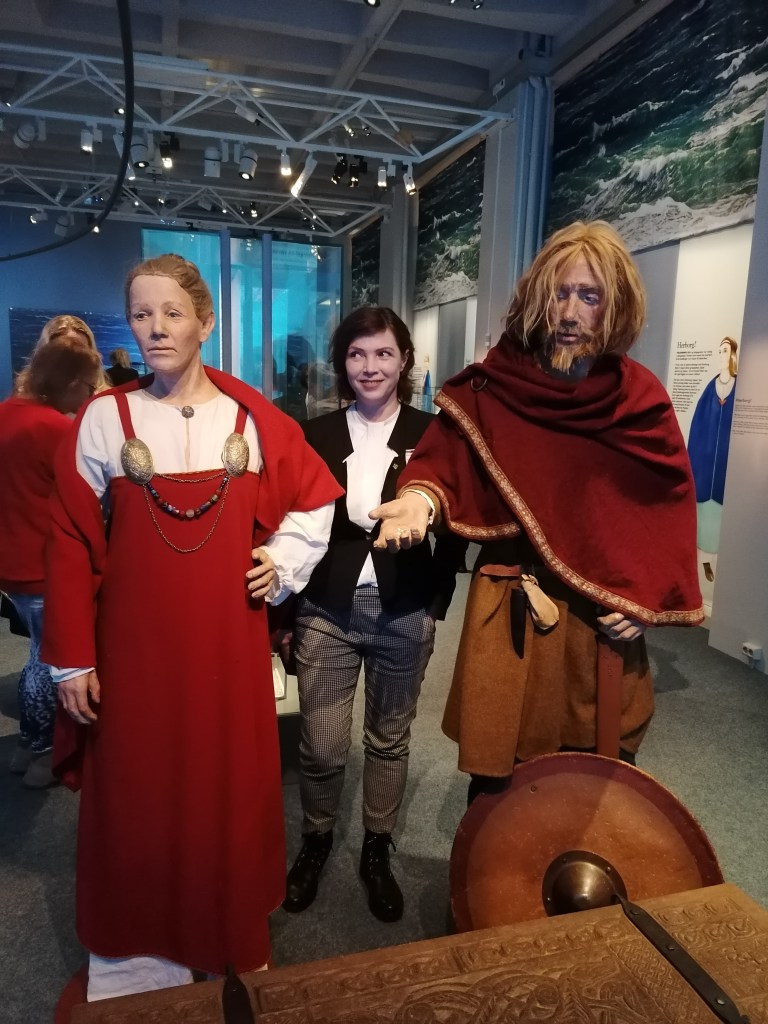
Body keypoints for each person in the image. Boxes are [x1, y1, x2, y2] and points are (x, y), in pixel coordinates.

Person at [41, 254, 341, 1000]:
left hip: (227, 643)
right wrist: (72, 657)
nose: (156, 328)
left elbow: (315, 499)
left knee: (222, 787)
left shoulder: (250, 420)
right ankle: (139, 954)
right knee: (138, 790)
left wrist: (281, 559)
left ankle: (223, 934)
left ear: (205, 322)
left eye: (172, 313)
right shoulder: (104, 419)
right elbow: (69, 538)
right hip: (134, 649)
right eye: (141, 314)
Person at [369, 221, 703, 803]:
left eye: (589, 296)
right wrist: (419, 500)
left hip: (597, 613)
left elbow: (660, 506)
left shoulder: (638, 399)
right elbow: (446, 460)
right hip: (510, 602)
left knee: (594, 776)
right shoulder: (494, 385)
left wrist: (645, 599)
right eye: (559, 293)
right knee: (497, 778)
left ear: (615, 305)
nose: (570, 312)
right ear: (537, 298)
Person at [282, 307, 466, 922]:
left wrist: (436, 602)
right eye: (357, 354)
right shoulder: (313, 434)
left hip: (404, 608)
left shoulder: (433, 433)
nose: (370, 367)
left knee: (388, 739)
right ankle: (316, 840)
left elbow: (456, 523)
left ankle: (376, 847)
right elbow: (292, 526)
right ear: (342, 362)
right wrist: (285, 617)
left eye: (383, 354)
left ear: (404, 360)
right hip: (326, 609)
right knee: (321, 743)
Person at [0, 336, 103, 788]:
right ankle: (42, 750)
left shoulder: (7, 413)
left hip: (12, 565)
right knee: (50, 662)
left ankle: (27, 746)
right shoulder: (53, 429)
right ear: (73, 381)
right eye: (89, 387)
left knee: (36, 656)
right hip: (43, 566)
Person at [686, 336, 738, 556]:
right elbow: (699, 426)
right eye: (719, 351)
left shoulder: (739, 388)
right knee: (704, 511)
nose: (721, 355)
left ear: (733, 355)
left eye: (725, 351)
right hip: (705, 464)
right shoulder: (710, 389)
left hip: (728, 465)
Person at [13, 314, 107, 396]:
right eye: (64, 352)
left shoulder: (104, 400)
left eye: (82, 351)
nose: (73, 360)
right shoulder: (26, 397)